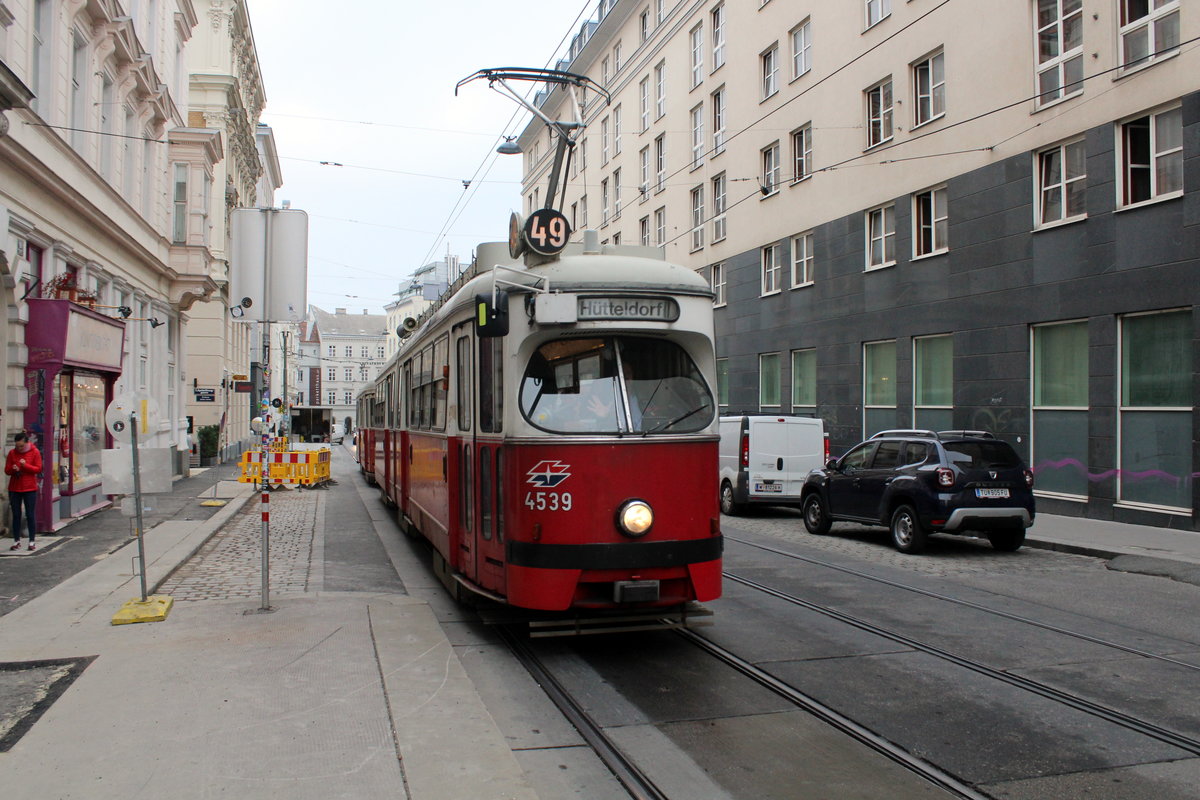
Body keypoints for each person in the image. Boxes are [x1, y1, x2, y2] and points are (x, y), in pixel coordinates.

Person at [6, 431, 42, 551]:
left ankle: (32, 541)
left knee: (30, 514)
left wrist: (25, 465)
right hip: (15, 488)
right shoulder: (12, 453)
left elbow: (38, 468)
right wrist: (13, 468)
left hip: (29, 487)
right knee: (16, 515)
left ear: (27, 443)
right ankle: (17, 540)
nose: (19, 448)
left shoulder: (34, 452)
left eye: (21, 446)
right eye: (17, 446)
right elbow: (7, 470)